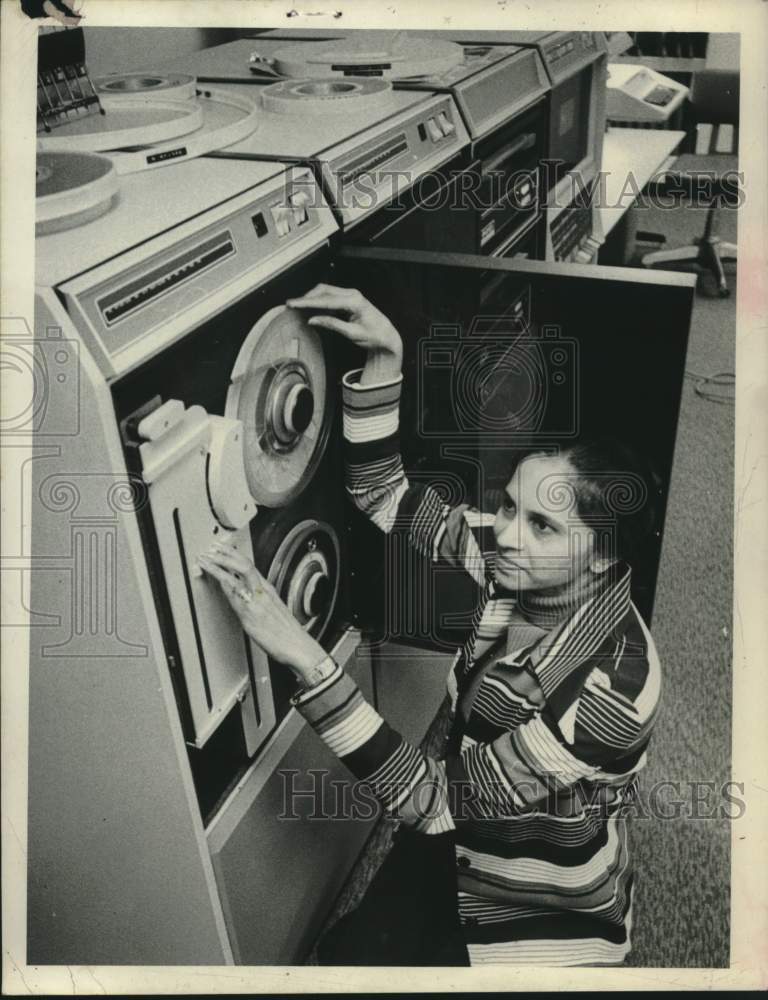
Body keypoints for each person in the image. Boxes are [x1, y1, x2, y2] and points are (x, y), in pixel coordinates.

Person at [198, 284, 662, 967]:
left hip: (534, 903)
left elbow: (433, 800)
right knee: (340, 958)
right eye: (508, 506)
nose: (504, 533)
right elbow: (384, 495)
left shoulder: (613, 694)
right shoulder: (519, 563)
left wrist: (303, 652)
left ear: (603, 559)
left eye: (541, 525)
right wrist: (387, 358)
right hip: (470, 825)